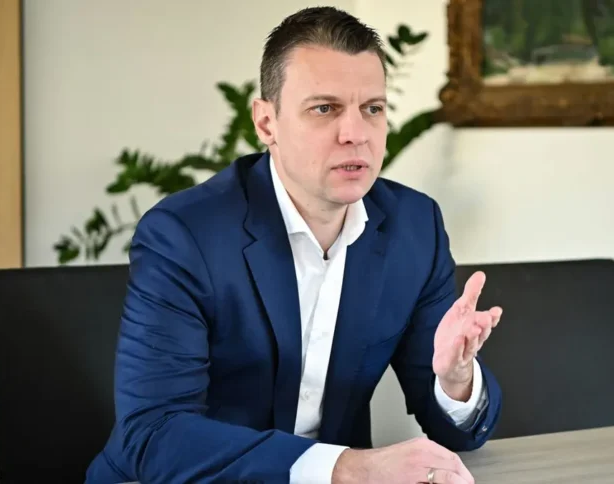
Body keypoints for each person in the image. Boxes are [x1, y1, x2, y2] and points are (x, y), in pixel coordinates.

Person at [86, 6, 503, 484]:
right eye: (324, 109)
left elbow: (456, 433)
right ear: (267, 123)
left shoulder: (414, 227)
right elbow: (153, 434)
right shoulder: (184, 235)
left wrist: (455, 380)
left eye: (373, 109)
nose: (355, 135)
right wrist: (346, 468)